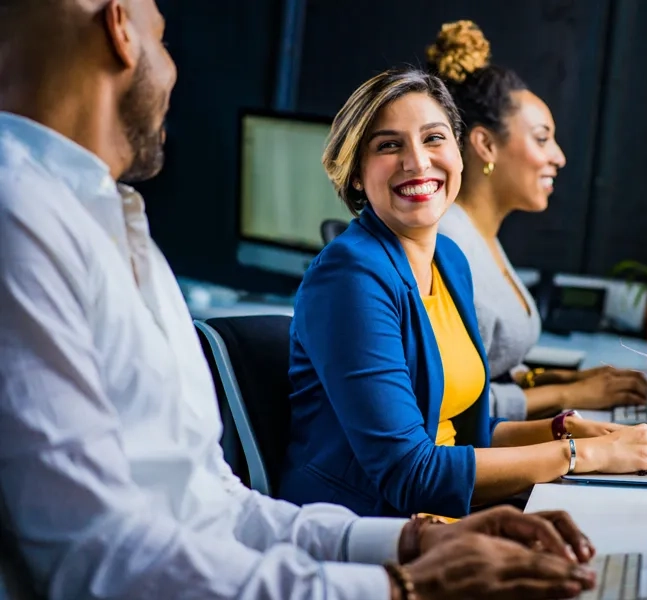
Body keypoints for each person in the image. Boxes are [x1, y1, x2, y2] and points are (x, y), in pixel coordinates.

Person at [0, 1, 600, 599]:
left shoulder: (113, 224)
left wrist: (411, 548)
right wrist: (398, 586)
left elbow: (217, 506)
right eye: (163, 38)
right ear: (120, 29)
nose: (175, 68)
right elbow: (95, 556)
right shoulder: (20, 217)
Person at [281, 66, 647, 519]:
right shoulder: (350, 277)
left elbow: (464, 436)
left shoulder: (450, 261)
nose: (418, 162)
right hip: (366, 529)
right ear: (357, 174)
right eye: (388, 145)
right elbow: (410, 473)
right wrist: (582, 455)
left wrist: (567, 431)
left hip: (445, 516)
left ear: (459, 153)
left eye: (434, 138)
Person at [430, 20, 647, 422]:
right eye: (541, 137)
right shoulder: (449, 245)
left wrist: (558, 379)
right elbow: (453, 405)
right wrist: (568, 394)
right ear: (485, 144)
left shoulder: (482, 237)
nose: (559, 157)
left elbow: (488, 368)